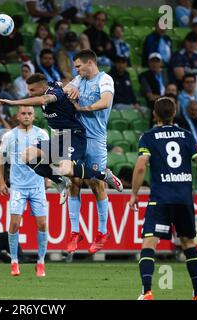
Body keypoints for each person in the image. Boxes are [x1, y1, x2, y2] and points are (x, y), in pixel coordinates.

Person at [129, 96, 197, 300]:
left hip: (160, 199)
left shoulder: (148, 137)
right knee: (189, 243)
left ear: (154, 114)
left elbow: (140, 167)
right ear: (174, 114)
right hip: (184, 198)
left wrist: (134, 194)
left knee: (149, 243)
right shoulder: (187, 136)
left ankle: (147, 291)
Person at [0, 72, 123, 205]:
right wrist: (71, 87)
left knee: (66, 169)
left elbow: (43, 100)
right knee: (26, 155)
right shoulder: (54, 86)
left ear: (42, 88)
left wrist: (13, 102)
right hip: (59, 138)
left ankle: (104, 175)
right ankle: (60, 182)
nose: (29, 93)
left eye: (32, 90)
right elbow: (61, 83)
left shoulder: (53, 94)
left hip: (74, 135)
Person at [63, 49, 121, 254]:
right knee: (73, 180)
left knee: (96, 185)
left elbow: (105, 101)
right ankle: (74, 232)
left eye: (78, 66)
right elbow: (67, 86)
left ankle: (102, 232)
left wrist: (83, 108)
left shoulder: (105, 79)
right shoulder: (80, 79)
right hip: (78, 138)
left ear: (89, 63)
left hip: (96, 139)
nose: (76, 70)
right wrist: (70, 88)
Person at [0, 106, 49, 277]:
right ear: (17, 116)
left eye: (29, 114)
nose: (26, 116)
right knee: (15, 223)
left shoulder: (42, 134)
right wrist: (2, 181)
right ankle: (14, 262)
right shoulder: (9, 136)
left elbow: (47, 157)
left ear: (34, 116)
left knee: (42, 224)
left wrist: (48, 177)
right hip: (18, 186)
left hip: (37, 186)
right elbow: (0, 159)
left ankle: (40, 263)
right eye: (23, 114)